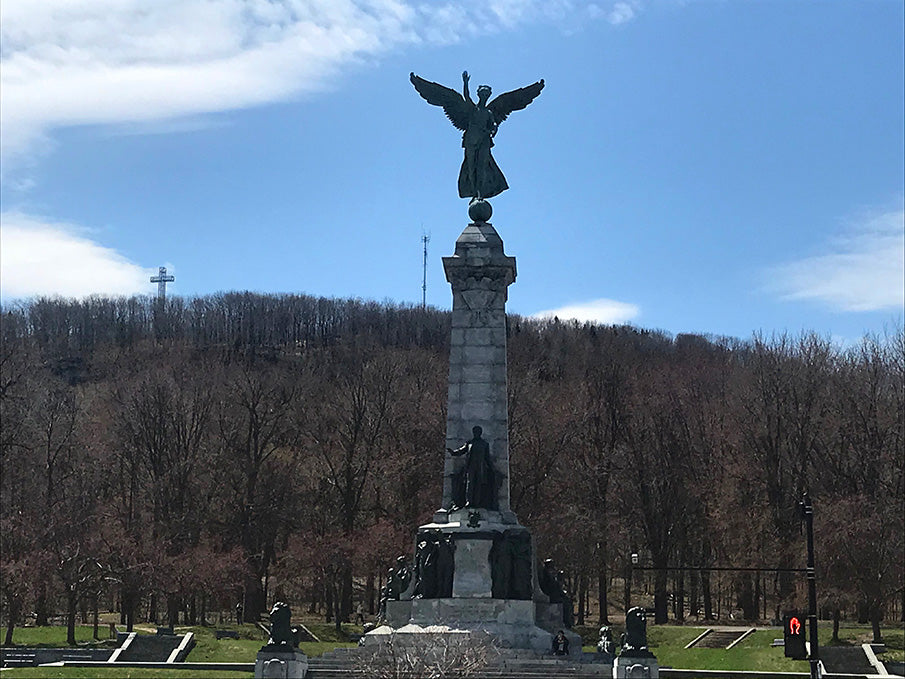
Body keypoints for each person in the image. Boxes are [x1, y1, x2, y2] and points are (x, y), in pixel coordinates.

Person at [447, 425, 494, 509]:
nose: (476, 434)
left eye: (477, 432)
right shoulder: (469, 443)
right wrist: (453, 452)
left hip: (480, 467)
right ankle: (469, 501)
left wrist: (492, 468)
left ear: (480, 433)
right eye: (474, 432)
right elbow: (462, 450)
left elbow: (487, 458)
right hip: (470, 467)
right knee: (470, 484)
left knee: (479, 485)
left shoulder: (484, 444)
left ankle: (477, 502)